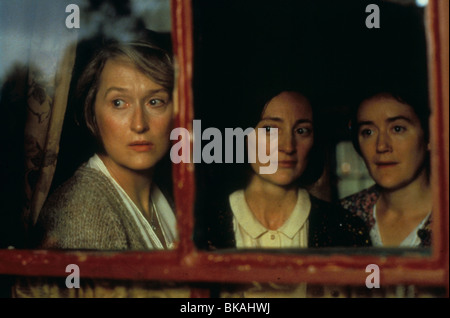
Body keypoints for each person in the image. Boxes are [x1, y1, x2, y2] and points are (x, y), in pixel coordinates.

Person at [32, 39, 177, 250]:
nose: (139, 124)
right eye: (119, 103)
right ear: (92, 114)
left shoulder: (161, 193)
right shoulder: (85, 215)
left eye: (155, 101)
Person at [206, 89, 371, 251]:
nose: (288, 146)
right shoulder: (202, 226)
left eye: (301, 131)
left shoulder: (346, 229)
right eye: (270, 129)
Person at [341, 86, 432, 248]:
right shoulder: (343, 215)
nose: (382, 146)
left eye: (397, 129)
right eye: (368, 132)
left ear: (429, 137)